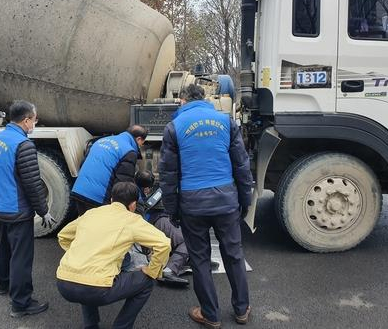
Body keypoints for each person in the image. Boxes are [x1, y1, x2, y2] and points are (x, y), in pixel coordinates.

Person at [159, 84, 254, 328]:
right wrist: (245, 201)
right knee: (234, 255)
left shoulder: (174, 128)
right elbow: (241, 167)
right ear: (205, 99)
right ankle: (242, 310)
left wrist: (172, 210)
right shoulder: (225, 122)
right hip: (226, 201)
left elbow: (168, 175)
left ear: (182, 101)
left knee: (199, 259)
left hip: (193, 205)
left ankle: (210, 315)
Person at [56, 182, 171, 329]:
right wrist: (152, 271)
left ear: (111, 200)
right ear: (133, 205)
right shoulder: (131, 219)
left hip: (63, 284)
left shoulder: (91, 213)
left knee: (90, 270)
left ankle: (90, 325)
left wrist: (78, 255)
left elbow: (63, 236)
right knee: (147, 282)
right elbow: (164, 244)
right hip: (96, 290)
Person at [0, 100, 55, 318]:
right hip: (17, 211)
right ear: (26, 121)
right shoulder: (23, 145)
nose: (35, 123)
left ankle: (3, 285)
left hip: (0, 208)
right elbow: (33, 184)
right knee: (21, 257)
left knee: (5, 247)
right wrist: (44, 211)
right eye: (34, 120)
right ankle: (21, 303)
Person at [71, 125, 148, 216]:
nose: (140, 145)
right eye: (142, 143)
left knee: (84, 224)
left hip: (79, 191)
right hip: (97, 198)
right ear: (139, 139)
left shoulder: (100, 141)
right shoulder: (129, 151)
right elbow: (123, 184)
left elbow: (83, 163)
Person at [135, 170, 190, 285]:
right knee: (186, 241)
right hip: (157, 219)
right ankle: (170, 270)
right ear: (147, 188)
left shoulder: (128, 191)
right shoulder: (159, 191)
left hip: (145, 226)